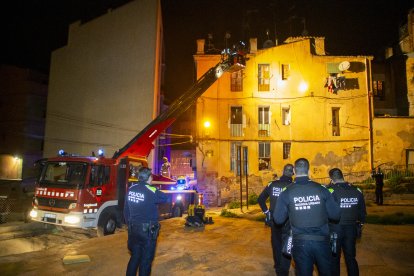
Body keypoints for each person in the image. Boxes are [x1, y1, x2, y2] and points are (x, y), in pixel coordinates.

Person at [273, 158, 341, 276]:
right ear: (309, 170)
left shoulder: (287, 192)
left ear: (294, 170)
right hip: (322, 242)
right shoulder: (322, 189)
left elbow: (278, 220)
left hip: (300, 243)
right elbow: (335, 215)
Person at [124, 167, 168, 276]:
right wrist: (152, 187)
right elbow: (165, 198)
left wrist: (129, 225)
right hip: (147, 232)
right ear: (149, 178)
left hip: (133, 229)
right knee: (145, 262)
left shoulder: (131, 189)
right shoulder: (151, 190)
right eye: (151, 176)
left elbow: (126, 210)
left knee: (135, 257)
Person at [328, 168, 367, 276]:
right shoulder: (357, 190)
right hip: (351, 229)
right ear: (342, 176)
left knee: (334, 259)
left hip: (335, 230)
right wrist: (360, 225)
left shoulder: (330, 191)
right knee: (351, 258)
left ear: (331, 179)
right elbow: (362, 213)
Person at [258, 164, 294, 276]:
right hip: (289, 221)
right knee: (287, 244)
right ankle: (284, 270)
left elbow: (260, 199)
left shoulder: (272, 184)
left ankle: (278, 266)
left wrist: (267, 213)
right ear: (293, 173)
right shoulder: (293, 186)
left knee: (276, 243)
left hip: (274, 219)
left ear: (283, 171)